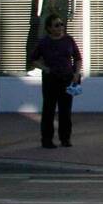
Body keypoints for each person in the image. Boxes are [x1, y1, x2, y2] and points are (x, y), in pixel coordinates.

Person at [30, 14, 82, 149]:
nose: (60, 27)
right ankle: (47, 139)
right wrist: (45, 69)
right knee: (49, 110)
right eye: (56, 25)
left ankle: (65, 138)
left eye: (61, 24)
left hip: (67, 78)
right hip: (51, 79)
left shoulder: (69, 40)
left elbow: (77, 58)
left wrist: (76, 73)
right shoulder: (44, 42)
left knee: (65, 110)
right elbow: (33, 59)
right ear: (49, 28)